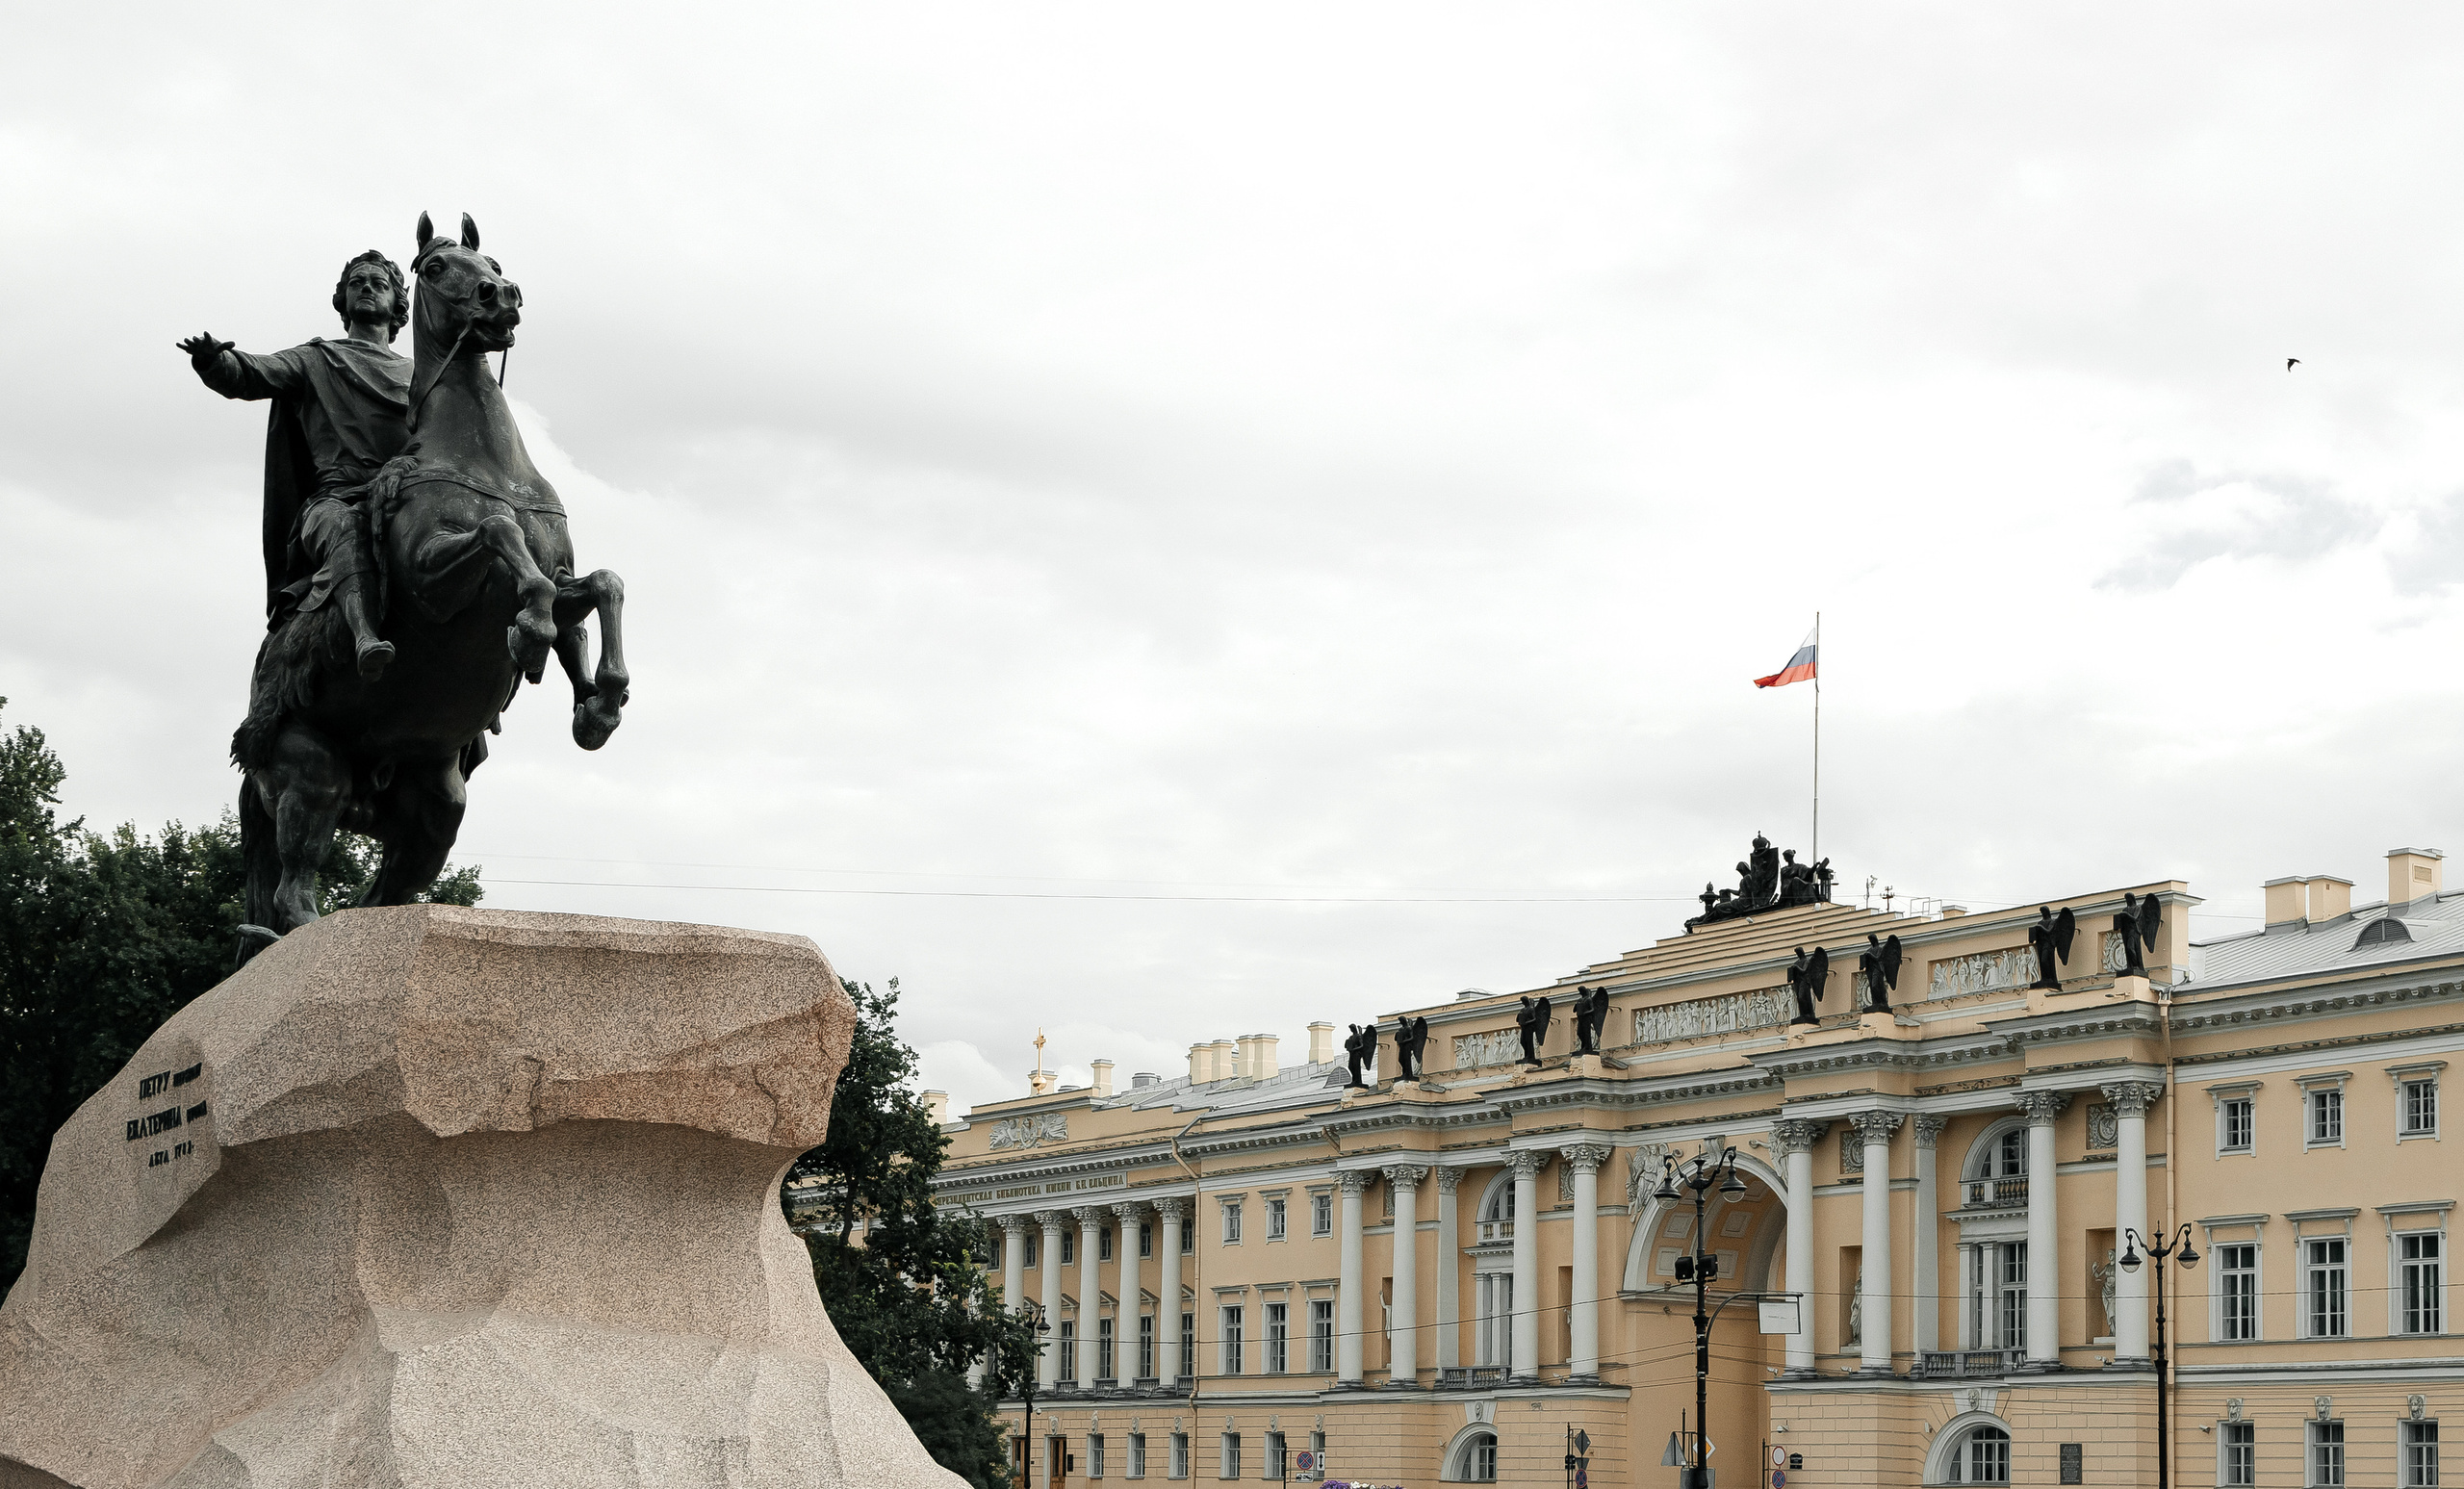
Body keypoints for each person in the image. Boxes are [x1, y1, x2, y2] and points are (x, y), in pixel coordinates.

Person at [179, 250, 413, 679]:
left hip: (404, 498)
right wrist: (216, 362)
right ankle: (365, 637)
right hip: (337, 500)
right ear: (342, 300)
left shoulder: (422, 376)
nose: (365, 287)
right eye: (356, 282)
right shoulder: (315, 359)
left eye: (378, 284)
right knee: (343, 530)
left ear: (399, 306)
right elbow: (253, 372)